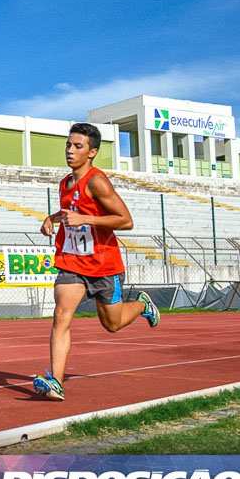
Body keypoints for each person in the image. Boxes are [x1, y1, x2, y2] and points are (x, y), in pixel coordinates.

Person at [33, 123, 160, 401]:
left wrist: (86, 219)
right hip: (72, 262)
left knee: (111, 324)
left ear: (92, 152)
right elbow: (71, 211)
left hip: (104, 264)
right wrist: (51, 219)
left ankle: (142, 305)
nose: (70, 150)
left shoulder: (96, 181)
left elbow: (126, 221)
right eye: (68, 144)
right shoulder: (65, 183)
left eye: (77, 146)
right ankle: (55, 381)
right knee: (61, 315)